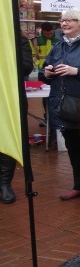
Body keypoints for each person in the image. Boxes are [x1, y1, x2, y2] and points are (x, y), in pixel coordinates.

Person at [40, 9, 80, 202]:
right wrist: (48, 73)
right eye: (62, 21)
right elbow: (44, 72)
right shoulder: (57, 47)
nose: (65, 24)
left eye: (70, 20)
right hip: (62, 105)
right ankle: (79, 185)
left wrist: (76, 71)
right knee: (73, 147)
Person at [0, 34, 34, 204]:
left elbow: (27, 67)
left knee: (10, 138)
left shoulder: (17, 40)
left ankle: (5, 183)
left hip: (10, 98)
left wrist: (7, 52)